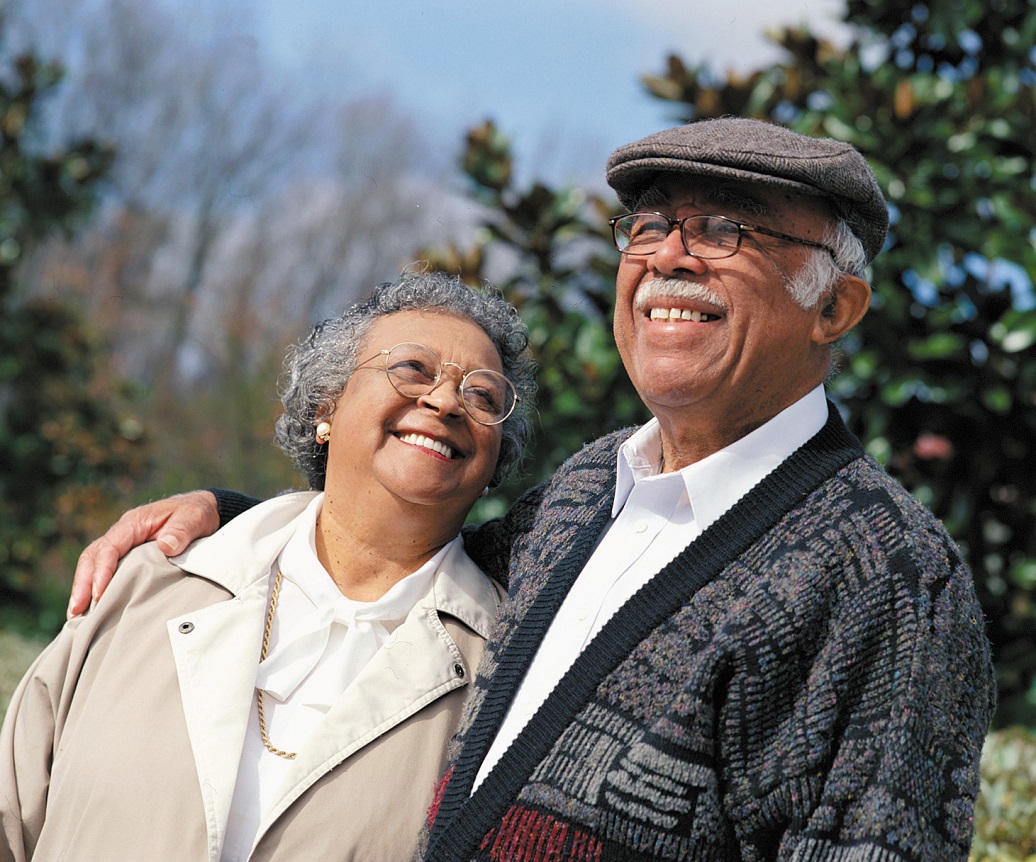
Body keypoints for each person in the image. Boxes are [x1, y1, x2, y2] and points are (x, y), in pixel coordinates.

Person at [64, 118, 996, 861]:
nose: (671, 256)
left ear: (834, 306)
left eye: (726, 229)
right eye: (650, 225)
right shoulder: (588, 491)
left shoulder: (893, 578)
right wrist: (230, 520)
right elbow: (400, 542)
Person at [0, 270, 537, 862]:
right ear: (326, 407)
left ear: (494, 460)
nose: (444, 401)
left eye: (483, 397)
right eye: (413, 368)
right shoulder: (146, 583)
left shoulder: (507, 675)